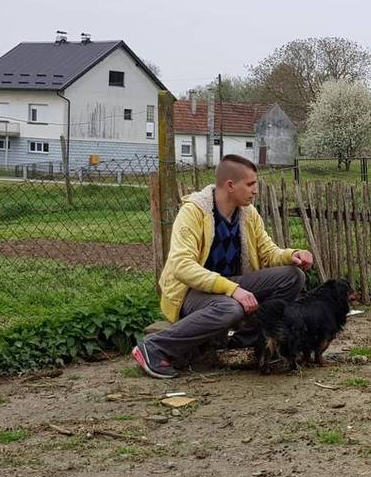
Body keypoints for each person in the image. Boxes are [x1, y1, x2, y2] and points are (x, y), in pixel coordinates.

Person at [132, 154, 314, 379]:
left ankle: (247, 341)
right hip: (190, 291)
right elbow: (181, 265)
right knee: (230, 308)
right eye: (250, 184)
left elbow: (268, 252)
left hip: (228, 287)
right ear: (230, 185)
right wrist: (232, 290)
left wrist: (292, 255)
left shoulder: (248, 214)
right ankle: (154, 347)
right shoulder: (193, 212)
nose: (255, 190)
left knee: (293, 276)